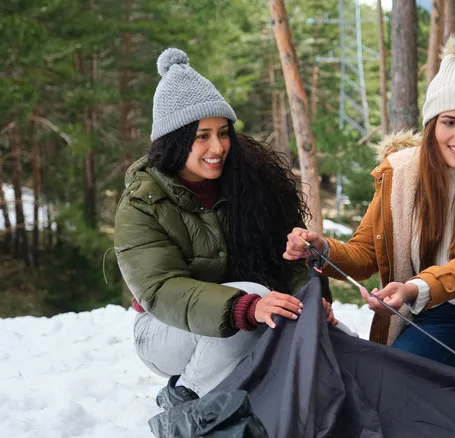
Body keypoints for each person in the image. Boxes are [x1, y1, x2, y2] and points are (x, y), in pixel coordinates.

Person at [283, 33, 455, 392]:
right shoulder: (399, 174)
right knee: (390, 385)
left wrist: (414, 289)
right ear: (432, 124)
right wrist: (322, 247)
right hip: (437, 316)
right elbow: (365, 254)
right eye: (450, 121)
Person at [113, 48, 338, 408]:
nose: (217, 147)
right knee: (247, 296)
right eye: (201, 136)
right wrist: (245, 306)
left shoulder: (252, 183)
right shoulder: (143, 202)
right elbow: (161, 290)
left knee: (336, 337)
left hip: (247, 313)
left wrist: (312, 302)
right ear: (175, 141)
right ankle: (186, 395)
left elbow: (288, 264)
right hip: (164, 333)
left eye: (222, 133)